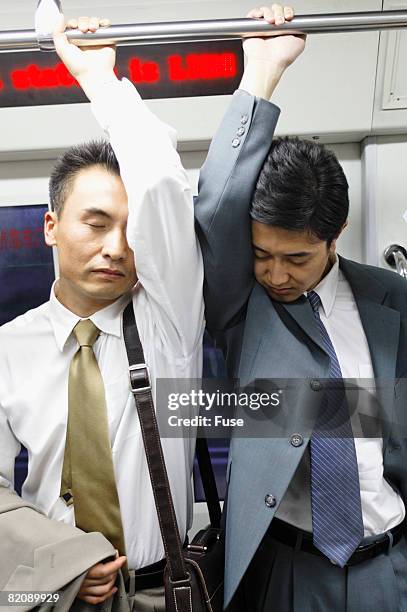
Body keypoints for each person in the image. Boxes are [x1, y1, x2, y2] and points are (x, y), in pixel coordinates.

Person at [0, 6, 300, 609]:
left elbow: (163, 185)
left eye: (131, 230)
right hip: (51, 595)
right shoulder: (8, 348)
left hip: (166, 591)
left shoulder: (167, 322)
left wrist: (99, 82)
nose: (118, 247)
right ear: (51, 227)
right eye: (97, 223)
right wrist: (52, 570)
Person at [195, 8, 407, 610]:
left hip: (388, 565)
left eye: (296, 257)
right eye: (262, 254)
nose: (275, 274)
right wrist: (262, 74)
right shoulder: (246, 308)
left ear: (334, 235)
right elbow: (216, 208)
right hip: (289, 570)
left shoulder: (392, 301)